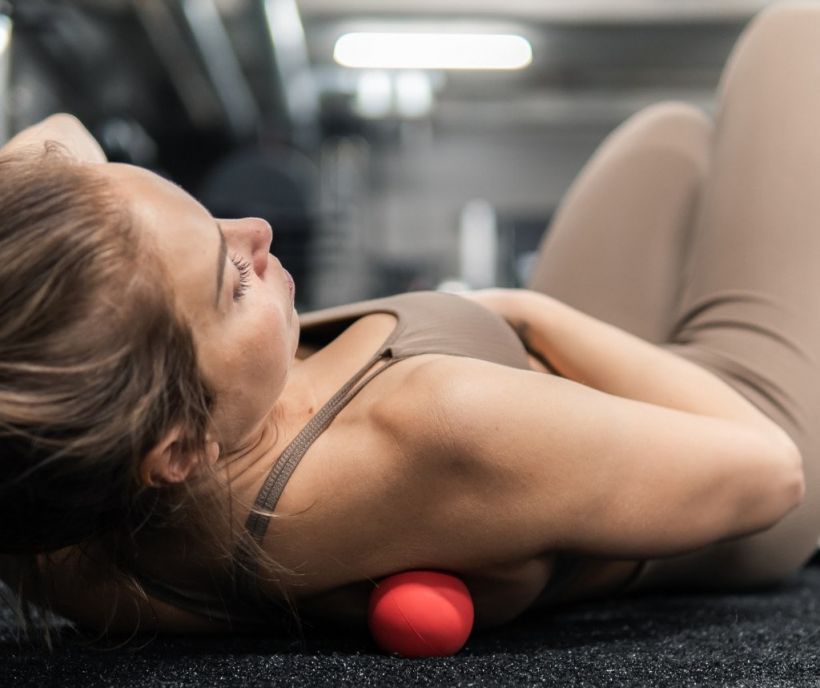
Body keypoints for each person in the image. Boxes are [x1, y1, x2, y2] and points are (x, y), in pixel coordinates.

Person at [0, 1, 814, 651]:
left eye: (207, 217)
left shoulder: (51, 514)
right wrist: (523, 309)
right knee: (794, 36)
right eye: (232, 282)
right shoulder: (435, 420)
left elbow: (56, 144)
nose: (256, 230)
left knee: (668, 143)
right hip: (740, 427)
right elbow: (773, 470)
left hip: (566, 408)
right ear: (179, 450)